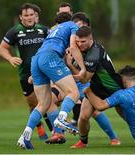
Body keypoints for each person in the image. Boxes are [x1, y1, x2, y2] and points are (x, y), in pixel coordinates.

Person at [17, 12, 86, 149]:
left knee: (43, 104)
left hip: (36, 60)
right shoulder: (72, 25)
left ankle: (25, 137)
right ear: (71, 21)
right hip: (49, 58)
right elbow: (72, 46)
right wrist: (83, 68)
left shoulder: (53, 30)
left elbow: (48, 50)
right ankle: (61, 120)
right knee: (74, 93)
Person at [0, 3, 49, 140]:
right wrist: (10, 58)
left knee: (49, 100)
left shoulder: (43, 30)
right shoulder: (15, 31)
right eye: (26, 15)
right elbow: (2, 48)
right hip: (25, 74)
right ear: (21, 17)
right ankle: (39, 126)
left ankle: (55, 131)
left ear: (35, 16)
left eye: (31, 14)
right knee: (33, 103)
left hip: (44, 71)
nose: (29, 17)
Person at [66, 26, 123, 148]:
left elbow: (84, 78)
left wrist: (70, 65)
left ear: (90, 38)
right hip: (96, 88)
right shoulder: (85, 49)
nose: (80, 44)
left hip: (113, 88)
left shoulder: (94, 54)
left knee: (128, 116)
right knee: (83, 117)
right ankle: (83, 141)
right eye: (78, 41)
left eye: (83, 41)